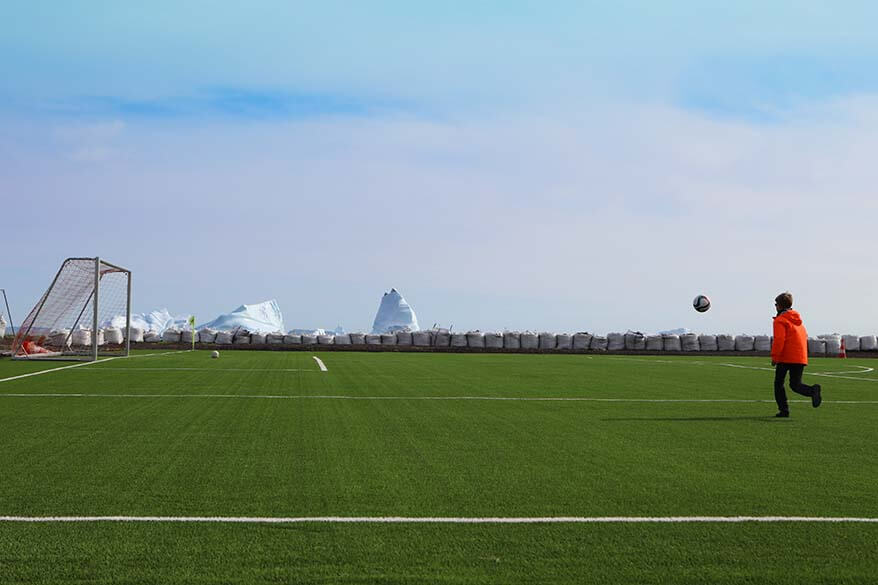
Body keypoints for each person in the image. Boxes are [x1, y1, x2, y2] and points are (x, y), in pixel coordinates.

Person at [771, 292, 822, 417]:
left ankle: (784, 410)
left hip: (785, 357)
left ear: (779, 306)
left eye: (776, 304)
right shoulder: (798, 322)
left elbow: (779, 340)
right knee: (795, 384)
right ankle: (812, 391)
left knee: (778, 384)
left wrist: (775, 357)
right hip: (799, 357)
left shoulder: (780, 321)